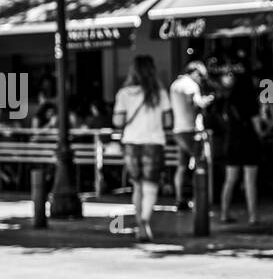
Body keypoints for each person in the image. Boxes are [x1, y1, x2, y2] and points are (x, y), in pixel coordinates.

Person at [112, 54, 172, 243]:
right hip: (154, 143)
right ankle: (145, 220)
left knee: (137, 186)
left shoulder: (124, 94)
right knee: (151, 186)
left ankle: (140, 225)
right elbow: (169, 121)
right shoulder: (160, 94)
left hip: (132, 143)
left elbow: (117, 121)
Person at [169, 61, 216, 212]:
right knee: (201, 164)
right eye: (201, 77)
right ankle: (201, 200)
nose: (201, 80)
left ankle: (179, 199)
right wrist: (206, 101)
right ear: (195, 72)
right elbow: (195, 104)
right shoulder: (191, 86)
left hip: (178, 130)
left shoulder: (175, 85)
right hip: (191, 130)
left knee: (182, 166)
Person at [218, 64, 262, 225]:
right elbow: (257, 125)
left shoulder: (229, 100)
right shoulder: (252, 100)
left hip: (232, 141)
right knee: (250, 180)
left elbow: (224, 119)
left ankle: (224, 213)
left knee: (230, 180)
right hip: (249, 141)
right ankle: (253, 216)